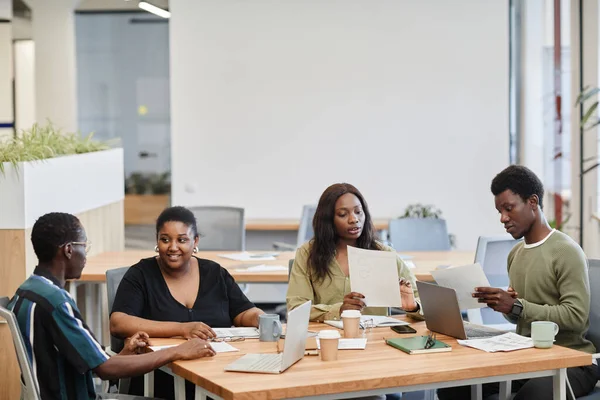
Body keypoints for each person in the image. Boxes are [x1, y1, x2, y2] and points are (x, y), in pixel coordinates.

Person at [7, 212, 216, 400]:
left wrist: (124, 354)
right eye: (84, 246)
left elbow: (94, 363)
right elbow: (106, 369)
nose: (86, 256)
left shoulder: (27, 290)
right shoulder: (56, 302)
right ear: (69, 250)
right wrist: (177, 351)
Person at [438, 165, 598, 400]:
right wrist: (506, 306)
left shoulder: (566, 251)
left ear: (532, 202)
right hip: (527, 354)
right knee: (455, 389)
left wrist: (517, 306)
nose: (503, 218)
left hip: (570, 359)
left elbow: (575, 317)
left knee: (531, 395)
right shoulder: (516, 253)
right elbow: (521, 315)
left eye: (509, 208)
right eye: (499, 211)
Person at [110, 206, 264, 399]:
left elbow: (243, 312)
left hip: (217, 373)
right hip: (161, 377)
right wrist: (182, 328)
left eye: (182, 240)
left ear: (195, 241)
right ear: (157, 241)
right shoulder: (140, 274)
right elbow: (118, 323)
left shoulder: (215, 273)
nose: (173, 247)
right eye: (165, 239)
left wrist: (261, 318)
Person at [286, 183, 423, 322]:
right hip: (325, 338)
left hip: (374, 338)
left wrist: (413, 306)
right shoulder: (307, 254)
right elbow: (297, 308)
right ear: (328, 220)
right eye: (343, 214)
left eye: (358, 212)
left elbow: (425, 302)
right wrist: (338, 310)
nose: (354, 219)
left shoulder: (383, 253)